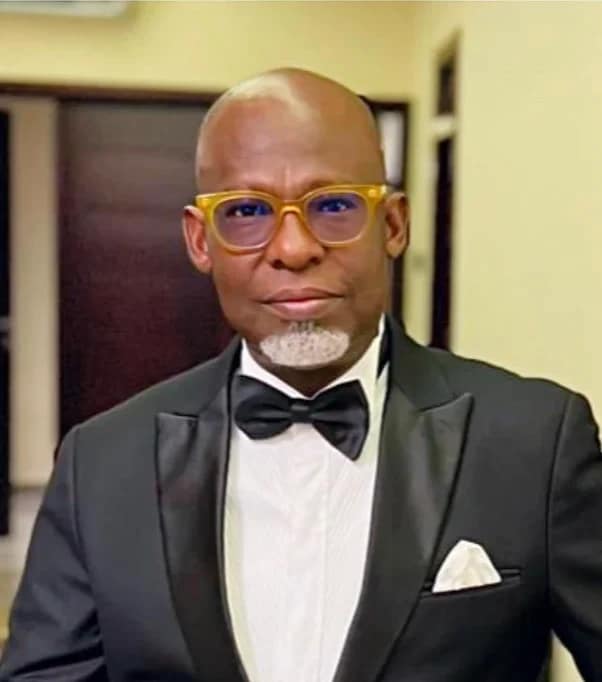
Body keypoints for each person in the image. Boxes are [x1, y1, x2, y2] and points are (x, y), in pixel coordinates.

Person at [1, 68, 601, 682]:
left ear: (393, 225)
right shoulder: (100, 463)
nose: (293, 249)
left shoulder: (536, 443)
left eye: (334, 205)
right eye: (246, 211)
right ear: (200, 240)